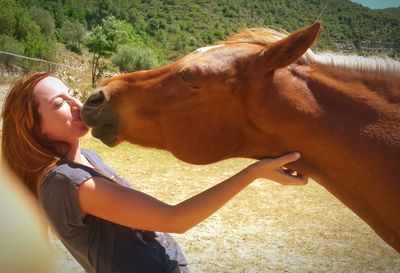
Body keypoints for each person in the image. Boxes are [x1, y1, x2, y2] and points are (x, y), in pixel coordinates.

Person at [1, 71, 308, 273]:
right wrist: (253, 173)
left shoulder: (89, 158)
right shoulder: (65, 180)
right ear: (37, 129)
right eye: (59, 103)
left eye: (71, 93)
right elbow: (175, 220)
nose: (75, 103)